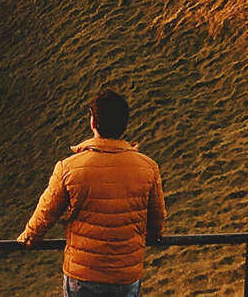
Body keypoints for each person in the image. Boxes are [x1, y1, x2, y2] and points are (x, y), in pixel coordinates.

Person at [17, 88, 166, 296]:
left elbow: (46, 213)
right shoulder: (148, 168)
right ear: (124, 125)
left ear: (93, 122)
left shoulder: (68, 167)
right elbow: (157, 220)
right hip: (125, 277)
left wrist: (28, 238)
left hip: (83, 275)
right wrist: (152, 236)